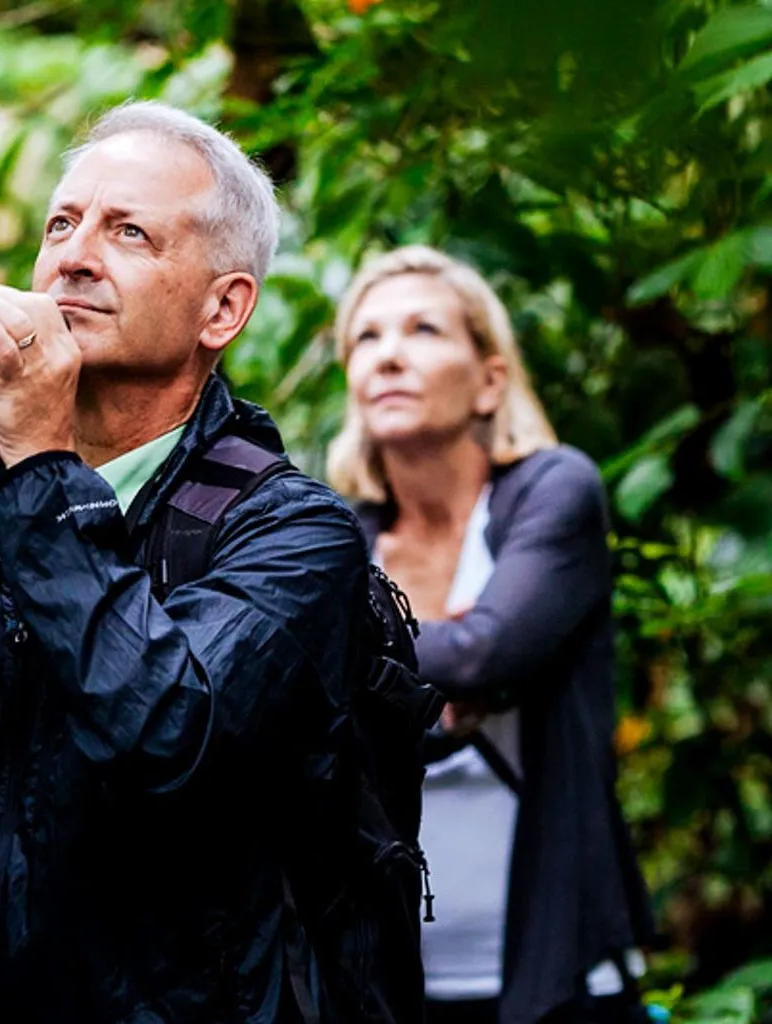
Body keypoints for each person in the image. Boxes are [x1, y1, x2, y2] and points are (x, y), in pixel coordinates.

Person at [0, 99, 372, 1021]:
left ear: (223, 308)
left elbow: (166, 732)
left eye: (130, 232)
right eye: (62, 223)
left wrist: (41, 462)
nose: (75, 255)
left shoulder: (291, 533)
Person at [329, 245, 654, 1024]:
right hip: (390, 979)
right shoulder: (339, 537)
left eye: (424, 330)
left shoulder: (550, 490)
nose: (390, 356)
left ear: (490, 378)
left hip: (561, 976)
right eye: (366, 338)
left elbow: (488, 648)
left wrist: (355, 664)